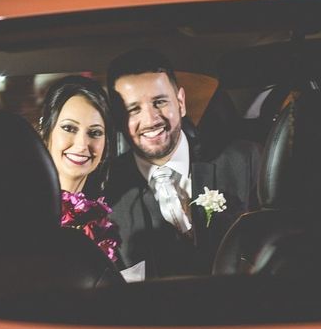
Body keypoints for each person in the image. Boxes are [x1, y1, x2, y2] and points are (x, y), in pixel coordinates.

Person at [104, 49, 260, 279]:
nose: (150, 120)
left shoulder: (244, 159)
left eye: (159, 102)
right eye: (133, 109)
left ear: (180, 102)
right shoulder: (108, 193)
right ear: (119, 118)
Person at [39, 75, 119, 261]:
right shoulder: (22, 208)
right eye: (69, 128)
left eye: (95, 133)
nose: (82, 145)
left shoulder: (110, 214)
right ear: (46, 131)